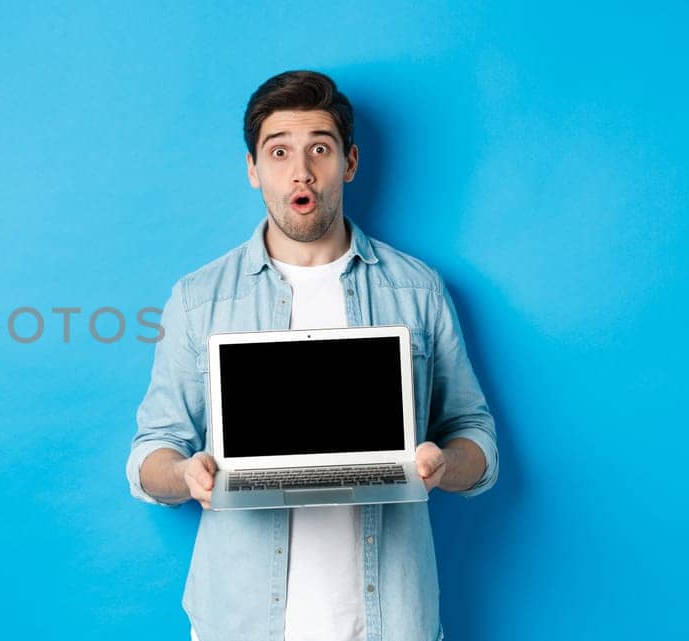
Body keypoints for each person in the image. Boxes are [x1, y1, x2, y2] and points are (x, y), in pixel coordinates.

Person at [125, 70, 499, 641]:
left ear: (348, 163)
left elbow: (474, 435)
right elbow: (151, 453)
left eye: (319, 149)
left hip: (391, 621)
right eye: (279, 152)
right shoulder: (199, 299)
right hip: (240, 623)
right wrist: (184, 474)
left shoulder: (417, 291)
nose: (301, 171)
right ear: (253, 170)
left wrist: (445, 465)